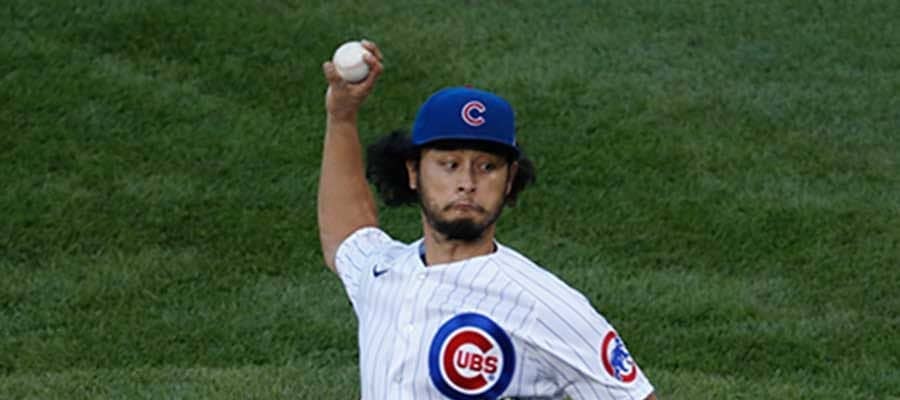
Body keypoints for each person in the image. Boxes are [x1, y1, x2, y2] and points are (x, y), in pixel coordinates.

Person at [318, 40, 657, 400]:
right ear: (414, 172)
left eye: (487, 167)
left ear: (509, 181)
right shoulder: (381, 273)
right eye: (449, 164)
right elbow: (346, 232)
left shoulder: (543, 305)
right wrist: (341, 117)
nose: (467, 182)